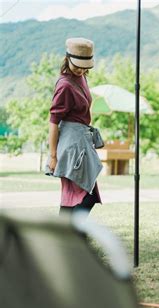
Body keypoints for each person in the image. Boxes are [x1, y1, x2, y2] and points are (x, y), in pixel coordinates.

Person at [47, 37, 102, 216]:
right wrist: (53, 156)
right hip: (72, 145)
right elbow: (53, 121)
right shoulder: (65, 85)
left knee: (77, 195)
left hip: (81, 141)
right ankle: (69, 234)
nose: (80, 70)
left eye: (84, 66)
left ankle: (70, 235)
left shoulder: (81, 78)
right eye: (77, 65)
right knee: (83, 194)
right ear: (67, 59)